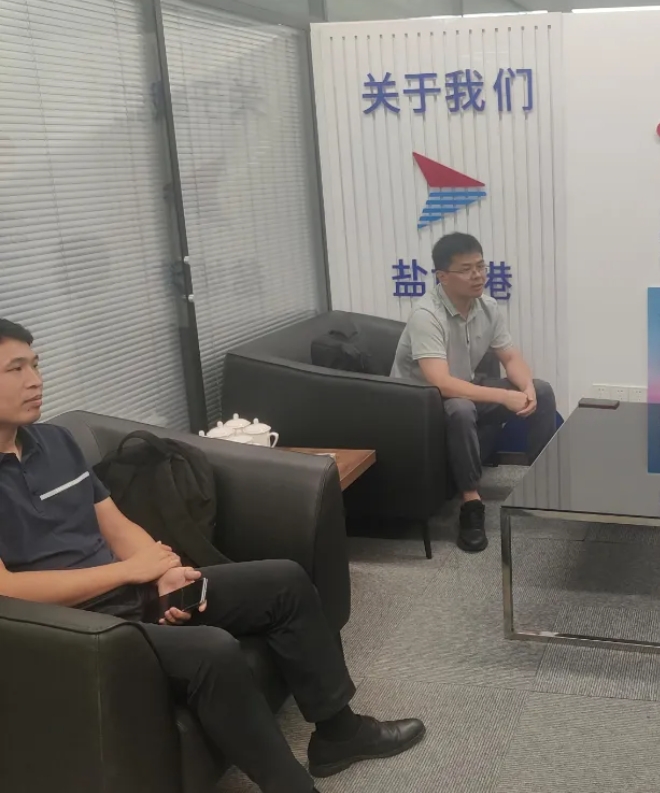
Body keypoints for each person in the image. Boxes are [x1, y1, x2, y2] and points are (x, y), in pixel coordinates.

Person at [0, 319, 424, 793]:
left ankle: (339, 734)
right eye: (15, 369)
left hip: (129, 591)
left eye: (35, 365)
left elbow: (116, 527)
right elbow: (8, 590)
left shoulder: (55, 442)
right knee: (212, 650)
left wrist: (163, 572)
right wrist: (129, 572)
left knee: (284, 583)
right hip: (72, 631)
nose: (35, 380)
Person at [391, 232, 557, 553]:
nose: (478, 275)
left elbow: (510, 357)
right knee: (461, 408)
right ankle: (470, 504)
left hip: (462, 389)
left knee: (542, 391)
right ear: (442, 276)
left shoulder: (487, 307)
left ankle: (541, 484)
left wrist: (525, 387)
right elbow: (441, 383)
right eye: (466, 270)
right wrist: (503, 397)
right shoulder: (427, 316)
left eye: (481, 266)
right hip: (421, 405)